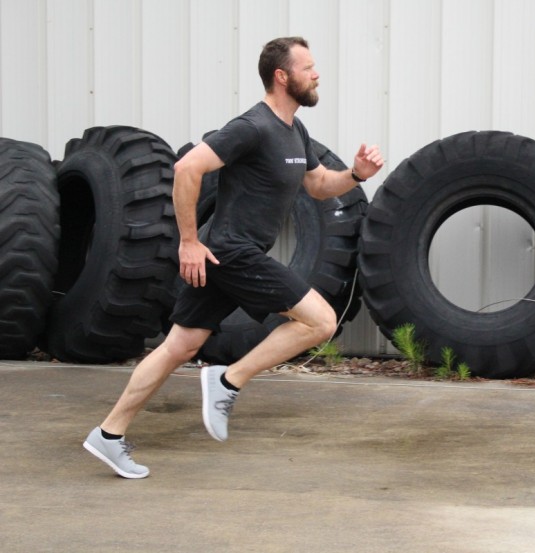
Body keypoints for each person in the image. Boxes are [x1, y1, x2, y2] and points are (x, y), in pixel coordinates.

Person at [83, 36, 384, 479]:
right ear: (282, 77)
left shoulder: (294, 130)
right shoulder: (252, 126)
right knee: (320, 321)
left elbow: (318, 185)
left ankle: (108, 435)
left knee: (179, 346)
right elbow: (188, 168)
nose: (317, 74)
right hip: (231, 250)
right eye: (309, 67)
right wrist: (188, 241)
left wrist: (356, 174)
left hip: (228, 256)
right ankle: (227, 380)